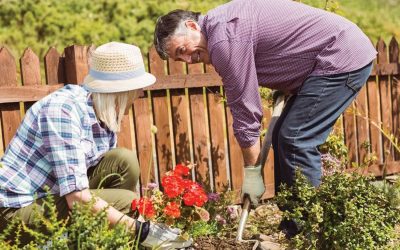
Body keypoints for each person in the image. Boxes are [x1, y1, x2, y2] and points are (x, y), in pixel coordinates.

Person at [153, 0, 376, 237]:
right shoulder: (221, 25)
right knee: (285, 137)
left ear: (192, 26)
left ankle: (310, 231)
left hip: (340, 56)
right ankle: (292, 227)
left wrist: (251, 175)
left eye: (182, 51)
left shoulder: (223, 39)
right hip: (328, 60)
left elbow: (245, 110)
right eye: (180, 60)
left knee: (296, 139)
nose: (188, 61)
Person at [0, 42, 192, 248]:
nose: (141, 95)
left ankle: (99, 240)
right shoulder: (63, 111)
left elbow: (81, 183)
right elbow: (76, 198)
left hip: (54, 194)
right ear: (122, 91)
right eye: (138, 89)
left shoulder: (102, 111)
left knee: (123, 161)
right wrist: (142, 231)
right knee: (126, 202)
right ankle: (73, 242)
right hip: (17, 211)